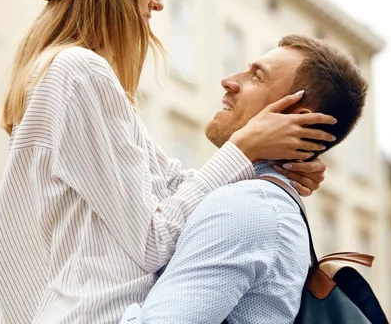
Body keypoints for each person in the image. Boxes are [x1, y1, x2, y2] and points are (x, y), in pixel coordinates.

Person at [0, 0, 337, 323]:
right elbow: (152, 241)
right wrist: (242, 150)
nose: (158, 2)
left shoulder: (60, 75)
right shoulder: (78, 72)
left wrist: (265, 166)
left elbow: (168, 184)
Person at [120, 34, 369, 324]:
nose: (228, 80)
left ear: (297, 120)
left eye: (257, 76)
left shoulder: (246, 207)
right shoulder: (261, 203)